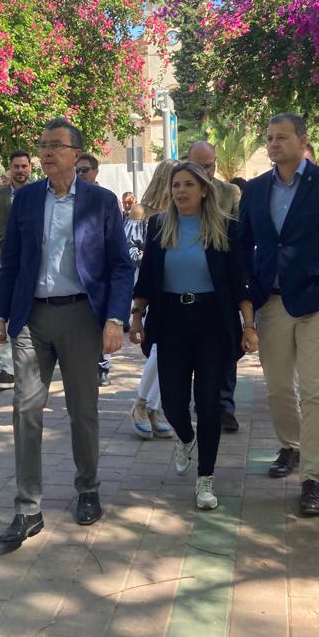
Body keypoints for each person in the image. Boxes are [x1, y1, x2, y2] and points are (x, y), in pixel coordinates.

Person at [0, 117, 133, 546]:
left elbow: (120, 265)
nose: (47, 152)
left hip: (81, 317)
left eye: (56, 145)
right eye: (43, 145)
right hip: (32, 318)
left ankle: (87, 488)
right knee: (25, 409)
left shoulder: (101, 201)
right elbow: (12, 262)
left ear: (76, 154)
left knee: (82, 410)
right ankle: (27, 508)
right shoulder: (27, 199)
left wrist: (114, 319)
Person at [237, 114, 319, 517]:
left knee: (315, 391)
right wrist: (247, 291)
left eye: (281, 137)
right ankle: (290, 446)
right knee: (277, 388)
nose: (273, 144)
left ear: (302, 140)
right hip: (270, 303)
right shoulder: (255, 189)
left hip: (314, 302)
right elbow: (242, 245)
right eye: (269, 138)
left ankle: (312, 477)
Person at [130, 162, 258, 509]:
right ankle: (186, 438)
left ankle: (205, 480)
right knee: (173, 402)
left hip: (212, 321)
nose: (181, 191)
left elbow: (240, 280)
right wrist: (137, 317)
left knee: (208, 402)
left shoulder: (224, 228)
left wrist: (249, 326)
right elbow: (147, 278)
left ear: (204, 190)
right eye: (176, 185)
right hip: (171, 320)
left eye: (188, 184)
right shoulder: (158, 225)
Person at [187, 140, 243, 433]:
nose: (205, 172)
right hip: (186, 281)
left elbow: (237, 234)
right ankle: (200, 401)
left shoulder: (230, 192)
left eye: (209, 166)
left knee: (226, 345)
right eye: (198, 166)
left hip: (221, 281)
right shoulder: (177, 189)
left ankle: (225, 406)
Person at [128, 161, 180, 440]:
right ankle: (142, 405)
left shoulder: (182, 213)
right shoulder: (141, 212)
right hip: (148, 287)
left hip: (176, 290)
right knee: (160, 349)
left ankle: (152, 407)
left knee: (170, 352)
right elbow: (129, 251)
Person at [0, 150, 32, 390]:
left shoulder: (40, 193)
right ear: (10, 169)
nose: (20, 170)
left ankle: (34, 364)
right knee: (3, 311)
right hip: (5, 262)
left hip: (33, 262)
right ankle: (8, 369)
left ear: (30, 168)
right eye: (16, 166)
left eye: (24, 166)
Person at [76, 153, 113, 386]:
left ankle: (103, 366)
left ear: (96, 172)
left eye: (84, 170)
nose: (80, 175)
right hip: (79, 280)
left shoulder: (106, 199)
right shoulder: (70, 198)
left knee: (102, 325)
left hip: (101, 277)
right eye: (77, 171)